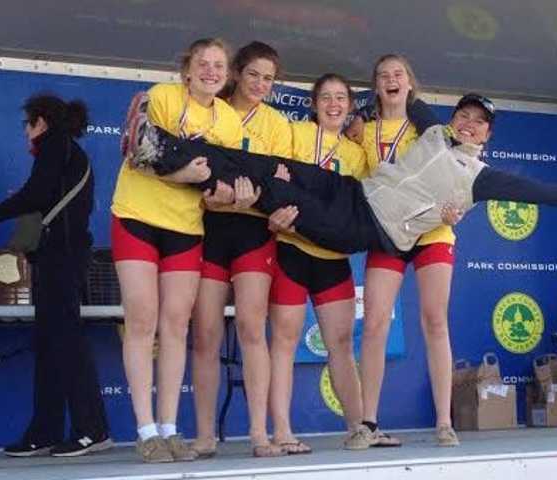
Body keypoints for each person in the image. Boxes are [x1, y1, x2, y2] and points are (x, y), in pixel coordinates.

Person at [122, 93, 557, 259]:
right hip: (353, 190)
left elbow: (543, 192)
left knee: (273, 190)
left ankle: (185, 172)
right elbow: (405, 90)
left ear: (487, 135)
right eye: (465, 115)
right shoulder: (432, 130)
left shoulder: (481, 176)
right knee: (269, 166)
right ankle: (159, 149)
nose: (468, 124)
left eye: (479, 122)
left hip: (364, 228)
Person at [110, 37, 243, 463]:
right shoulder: (162, 97)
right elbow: (137, 151)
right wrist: (183, 173)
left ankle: (169, 429)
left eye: (219, 65)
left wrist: (231, 196)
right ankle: (145, 431)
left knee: (176, 326)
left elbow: (213, 186)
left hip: (186, 227)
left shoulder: (229, 120)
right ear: (187, 70)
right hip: (136, 217)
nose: (210, 71)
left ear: (227, 75)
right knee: (143, 318)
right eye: (203, 63)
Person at [0, 94, 111, 457]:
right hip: (57, 255)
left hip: (62, 255)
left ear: (40, 122)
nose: (26, 132)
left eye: (27, 124)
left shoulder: (55, 144)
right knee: (51, 343)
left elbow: (37, 193)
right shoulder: (67, 151)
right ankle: (46, 430)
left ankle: (92, 428)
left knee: (65, 341)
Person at [352, 53, 460, 448]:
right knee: (376, 323)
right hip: (388, 234)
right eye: (383, 76)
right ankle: (368, 422)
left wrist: (454, 208)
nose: (391, 80)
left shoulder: (431, 127)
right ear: (376, 87)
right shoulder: (361, 130)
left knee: (435, 321)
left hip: (432, 231)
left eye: (398, 74)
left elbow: (456, 173)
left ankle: (445, 421)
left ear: (410, 83)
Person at [190, 41, 291, 459]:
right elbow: (193, 171)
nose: (260, 84)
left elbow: (282, 182)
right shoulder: (211, 109)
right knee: (206, 335)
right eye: (253, 75)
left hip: (254, 233)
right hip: (211, 229)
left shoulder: (277, 124)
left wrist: (258, 199)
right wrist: (213, 198)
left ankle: (258, 433)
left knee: (252, 329)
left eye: (268, 78)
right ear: (236, 74)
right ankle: (204, 435)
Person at [263, 74, 366, 454]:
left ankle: (359, 427)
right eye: (326, 97)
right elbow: (273, 180)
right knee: (284, 342)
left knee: (340, 344)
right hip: (290, 249)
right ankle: (283, 431)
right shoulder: (293, 134)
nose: (334, 104)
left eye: (341, 98)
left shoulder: (356, 155)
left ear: (350, 106)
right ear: (314, 103)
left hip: (332, 259)